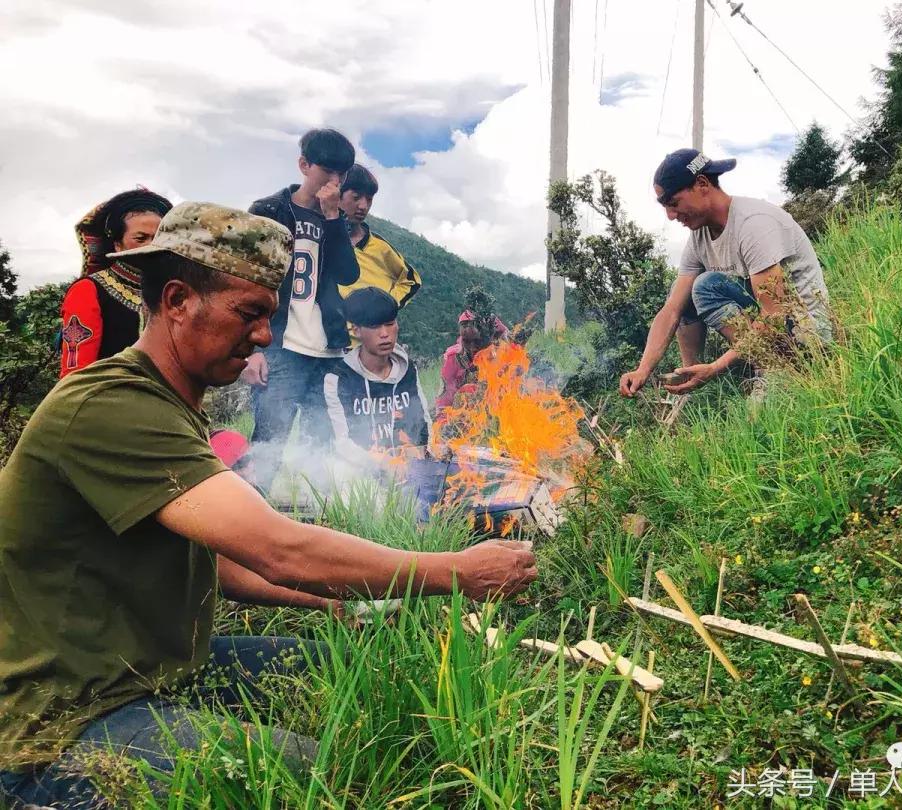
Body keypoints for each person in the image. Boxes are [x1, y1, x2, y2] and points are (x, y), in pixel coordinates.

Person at [0, 202, 536, 808]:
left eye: (270, 317)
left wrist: (340, 605)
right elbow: (277, 547)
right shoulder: (109, 404)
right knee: (331, 776)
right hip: (65, 725)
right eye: (249, 314)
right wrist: (457, 573)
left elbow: (222, 565)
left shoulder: (171, 407)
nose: (263, 336)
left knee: (350, 675)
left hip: (163, 669)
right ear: (177, 301)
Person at [619, 149, 832, 398]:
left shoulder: (753, 224)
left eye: (674, 204)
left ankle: (775, 367)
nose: (671, 216)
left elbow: (774, 314)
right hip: (772, 327)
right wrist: (642, 370)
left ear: (702, 184)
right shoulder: (699, 236)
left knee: (706, 286)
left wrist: (716, 367)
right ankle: (691, 380)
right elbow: (672, 310)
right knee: (683, 293)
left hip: (807, 336)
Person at [243, 128, 362, 491]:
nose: (335, 181)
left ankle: (323, 528)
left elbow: (347, 273)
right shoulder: (268, 211)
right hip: (279, 348)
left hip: (327, 349)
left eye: (342, 175)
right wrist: (251, 349)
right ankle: (247, 529)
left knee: (324, 447)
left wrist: (332, 219)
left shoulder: (335, 219)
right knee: (269, 445)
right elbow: (248, 283)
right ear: (304, 165)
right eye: (327, 171)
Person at [59, 188, 172, 377]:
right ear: (117, 243)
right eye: (141, 238)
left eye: (158, 238)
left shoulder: (174, 292)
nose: (152, 246)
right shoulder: (88, 290)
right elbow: (76, 375)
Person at [323, 287, 431, 459]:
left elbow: (424, 425)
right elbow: (343, 444)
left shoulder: (408, 370)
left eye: (390, 324)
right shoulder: (339, 379)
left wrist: (419, 458)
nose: (385, 334)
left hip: (412, 468)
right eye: (374, 326)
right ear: (356, 330)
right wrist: (382, 464)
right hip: (363, 474)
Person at [337, 163, 422, 311]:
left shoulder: (379, 247)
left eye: (369, 199)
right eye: (356, 197)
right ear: (337, 194)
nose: (363, 206)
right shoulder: (317, 238)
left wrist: (385, 308)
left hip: (371, 333)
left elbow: (412, 281)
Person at [435, 309, 511, 416]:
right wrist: (443, 424)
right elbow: (445, 398)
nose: (472, 347)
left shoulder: (498, 353)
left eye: (477, 341)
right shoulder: (454, 359)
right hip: (466, 416)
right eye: (468, 341)